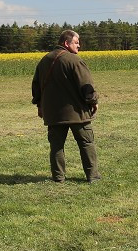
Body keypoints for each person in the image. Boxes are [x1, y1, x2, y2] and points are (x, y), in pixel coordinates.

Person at [31, 30, 100, 183]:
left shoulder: (44, 60)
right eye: (76, 42)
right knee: (86, 143)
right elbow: (86, 86)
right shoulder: (74, 60)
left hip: (54, 113)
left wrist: (39, 105)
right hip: (77, 113)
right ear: (66, 43)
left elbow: (36, 87)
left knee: (56, 146)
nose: (79, 45)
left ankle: (58, 177)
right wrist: (93, 102)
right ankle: (93, 176)